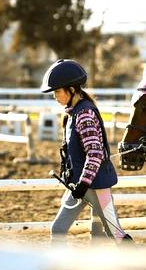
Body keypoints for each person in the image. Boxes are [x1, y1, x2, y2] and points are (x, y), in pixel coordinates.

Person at [41, 59, 132, 243]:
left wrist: (83, 184)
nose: (55, 96)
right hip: (78, 186)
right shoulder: (73, 113)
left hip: (95, 185)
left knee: (115, 234)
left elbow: (95, 153)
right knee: (58, 229)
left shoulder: (84, 115)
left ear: (72, 89)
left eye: (57, 91)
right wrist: (78, 184)